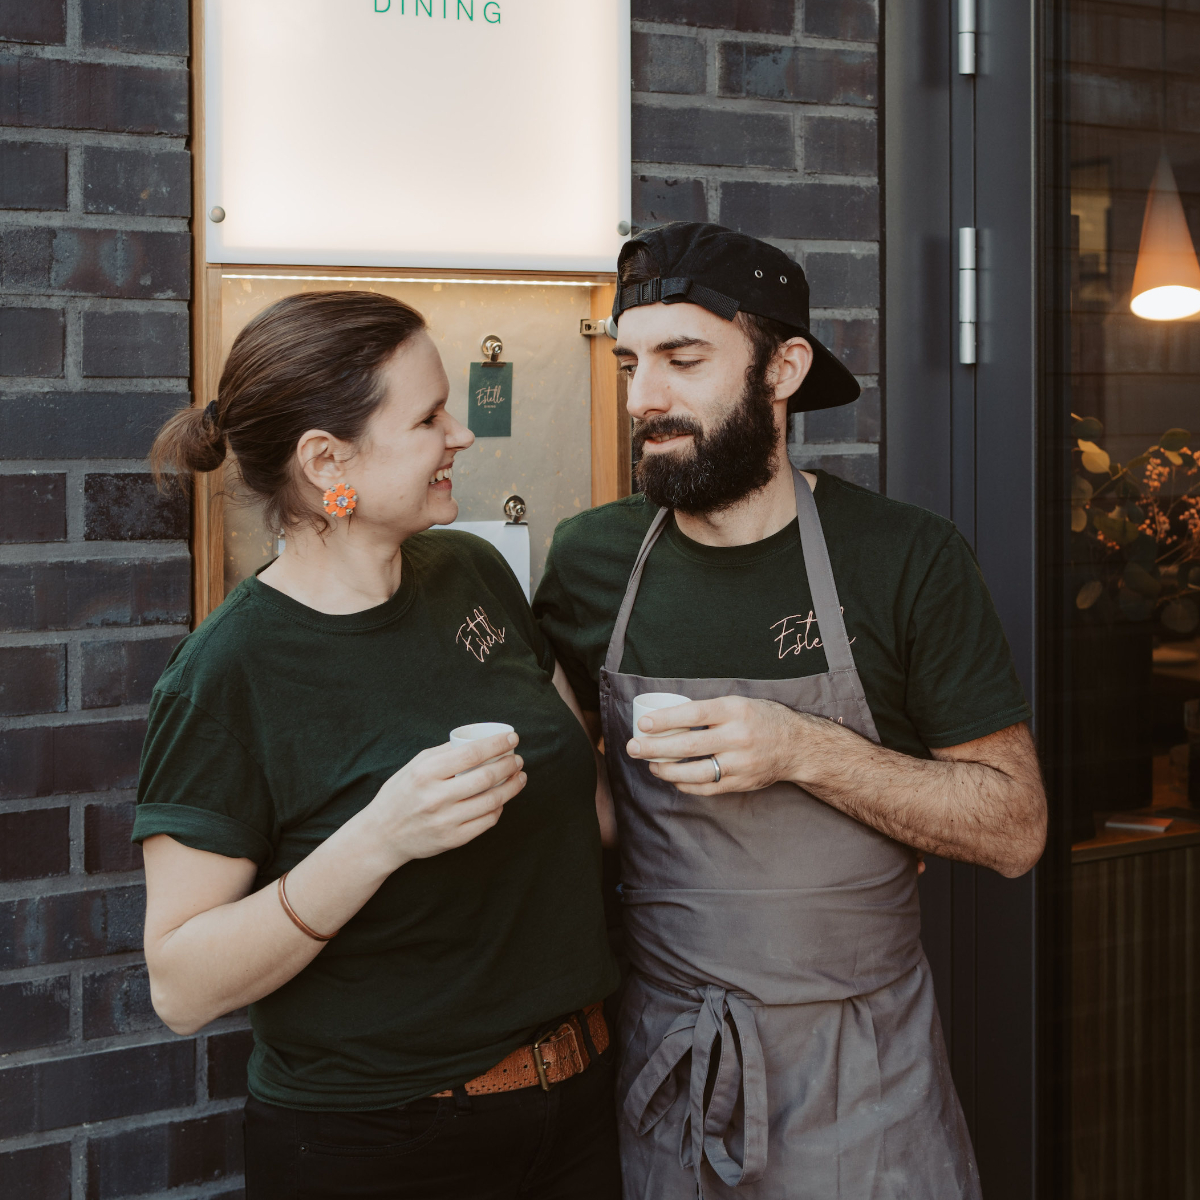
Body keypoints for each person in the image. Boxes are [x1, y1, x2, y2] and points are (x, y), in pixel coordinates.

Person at [533, 223, 1048, 1199]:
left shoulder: (904, 557)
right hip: (670, 1067)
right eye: (629, 361)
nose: (645, 397)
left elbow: (1015, 826)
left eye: (685, 359)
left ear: (785, 367)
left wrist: (806, 749)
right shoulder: (590, 562)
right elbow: (573, 804)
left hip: (864, 1070)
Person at [136, 290, 622, 1200]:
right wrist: (379, 837)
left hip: (579, 1104)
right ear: (329, 461)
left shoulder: (473, 573)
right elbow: (181, 985)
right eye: (430, 417)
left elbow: (591, 802)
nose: (461, 435)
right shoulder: (226, 675)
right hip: (381, 1144)